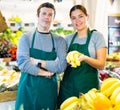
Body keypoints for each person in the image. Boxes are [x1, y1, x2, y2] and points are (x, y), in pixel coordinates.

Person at [15, 2, 67, 110]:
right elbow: (23, 64)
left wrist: (36, 61)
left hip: (48, 91)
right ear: (38, 16)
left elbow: (61, 66)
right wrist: (46, 73)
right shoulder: (25, 38)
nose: (46, 17)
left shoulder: (59, 41)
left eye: (50, 15)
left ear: (53, 18)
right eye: (44, 13)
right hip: (27, 89)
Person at [57, 4, 107, 108]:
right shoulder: (67, 39)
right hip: (67, 88)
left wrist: (85, 58)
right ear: (71, 20)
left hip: (88, 88)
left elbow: (102, 64)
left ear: (87, 17)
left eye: (80, 16)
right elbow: (61, 63)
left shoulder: (97, 36)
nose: (77, 21)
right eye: (73, 18)